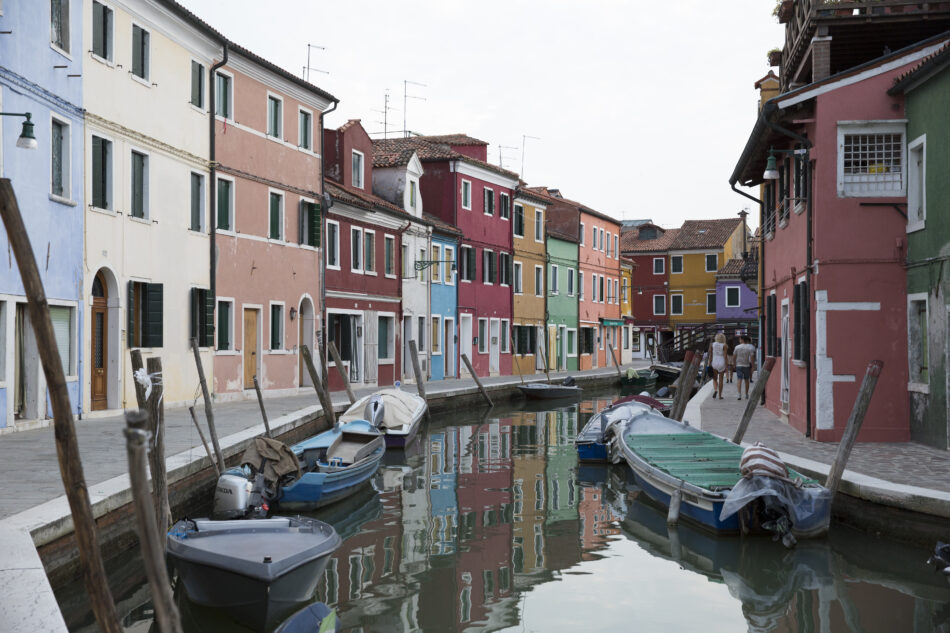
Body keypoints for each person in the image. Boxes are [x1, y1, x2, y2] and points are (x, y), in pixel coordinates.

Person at [734, 335, 756, 400]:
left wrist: (734, 364)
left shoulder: (737, 347)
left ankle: (739, 394)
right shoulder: (750, 347)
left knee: (739, 379)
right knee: (747, 380)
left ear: (742, 339)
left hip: (739, 365)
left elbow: (734, 356)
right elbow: (752, 357)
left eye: (740, 339)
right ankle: (746, 394)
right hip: (746, 365)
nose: (739, 340)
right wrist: (753, 366)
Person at [708, 333, 727, 399]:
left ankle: (715, 390)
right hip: (721, 361)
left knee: (715, 378)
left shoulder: (712, 345)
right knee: (721, 379)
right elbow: (725, 356)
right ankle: (720, 396)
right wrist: (726, 366)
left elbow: (710, 355)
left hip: (714, 362)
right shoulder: (724, 345)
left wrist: (709, 363)